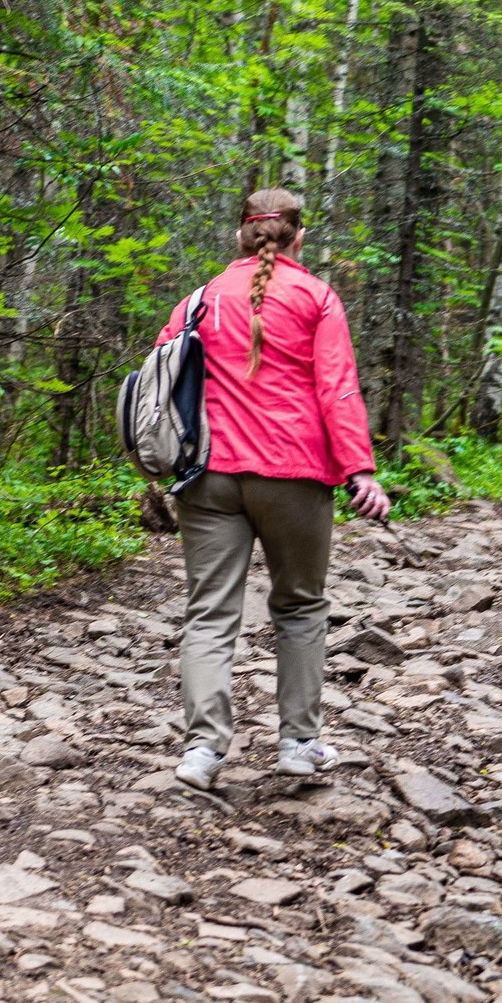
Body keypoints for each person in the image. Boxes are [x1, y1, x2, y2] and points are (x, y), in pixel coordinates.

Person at [157, 189, 391, 793]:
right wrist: (359, 468)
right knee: (301, 604)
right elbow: (337, 387)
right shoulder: (316, 297)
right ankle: (298, 743)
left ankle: (203, 752)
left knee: (209, 613)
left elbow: (161, 378)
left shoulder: (199, 300)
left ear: (240, 235)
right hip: (295, 473)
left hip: (208, 476)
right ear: (298, 238)